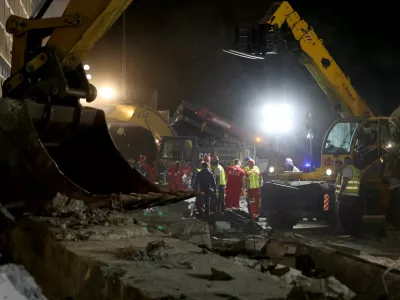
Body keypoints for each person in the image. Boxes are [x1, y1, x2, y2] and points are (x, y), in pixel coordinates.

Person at [337, 157, 361, 236]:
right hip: (355, 196)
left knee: (343, 214)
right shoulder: (357, 170)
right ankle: (353, 232)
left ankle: (347, 231)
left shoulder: (347, 169)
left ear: (345, 162)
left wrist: (340, 194)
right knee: (352, 215)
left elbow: (345, 182)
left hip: (347, 196)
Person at [333, 160, 344, 233]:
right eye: (334, 166)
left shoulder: (342, 173)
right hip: (338, 198)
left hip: (341, 198)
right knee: (338, 214)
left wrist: (340, 196)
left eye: (336, 166)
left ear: (340, 165)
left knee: (340, 214)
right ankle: (339, 229)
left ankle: (341, 230)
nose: (334, 168)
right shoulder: (339, 173)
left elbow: (343, 185)